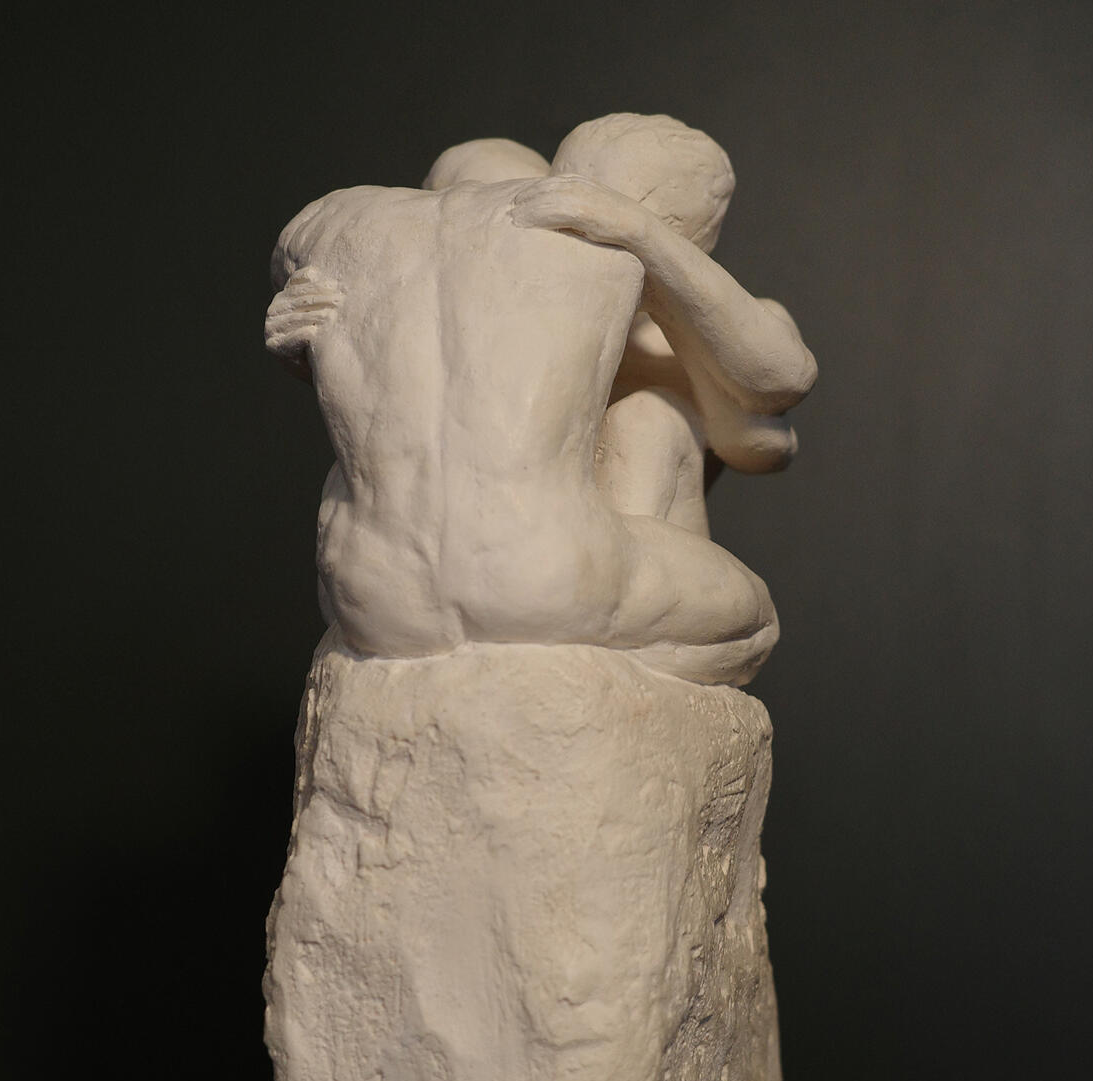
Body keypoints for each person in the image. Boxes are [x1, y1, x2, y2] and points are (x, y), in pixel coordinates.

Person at [265, 114, 816, 686]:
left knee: (650, 421)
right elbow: (416, 399)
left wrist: (644, 241)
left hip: (594, 534)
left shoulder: (691, 307)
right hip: (501, 552)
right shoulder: (527, 280)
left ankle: (602, 657)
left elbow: (769, 420)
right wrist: (311, 341)